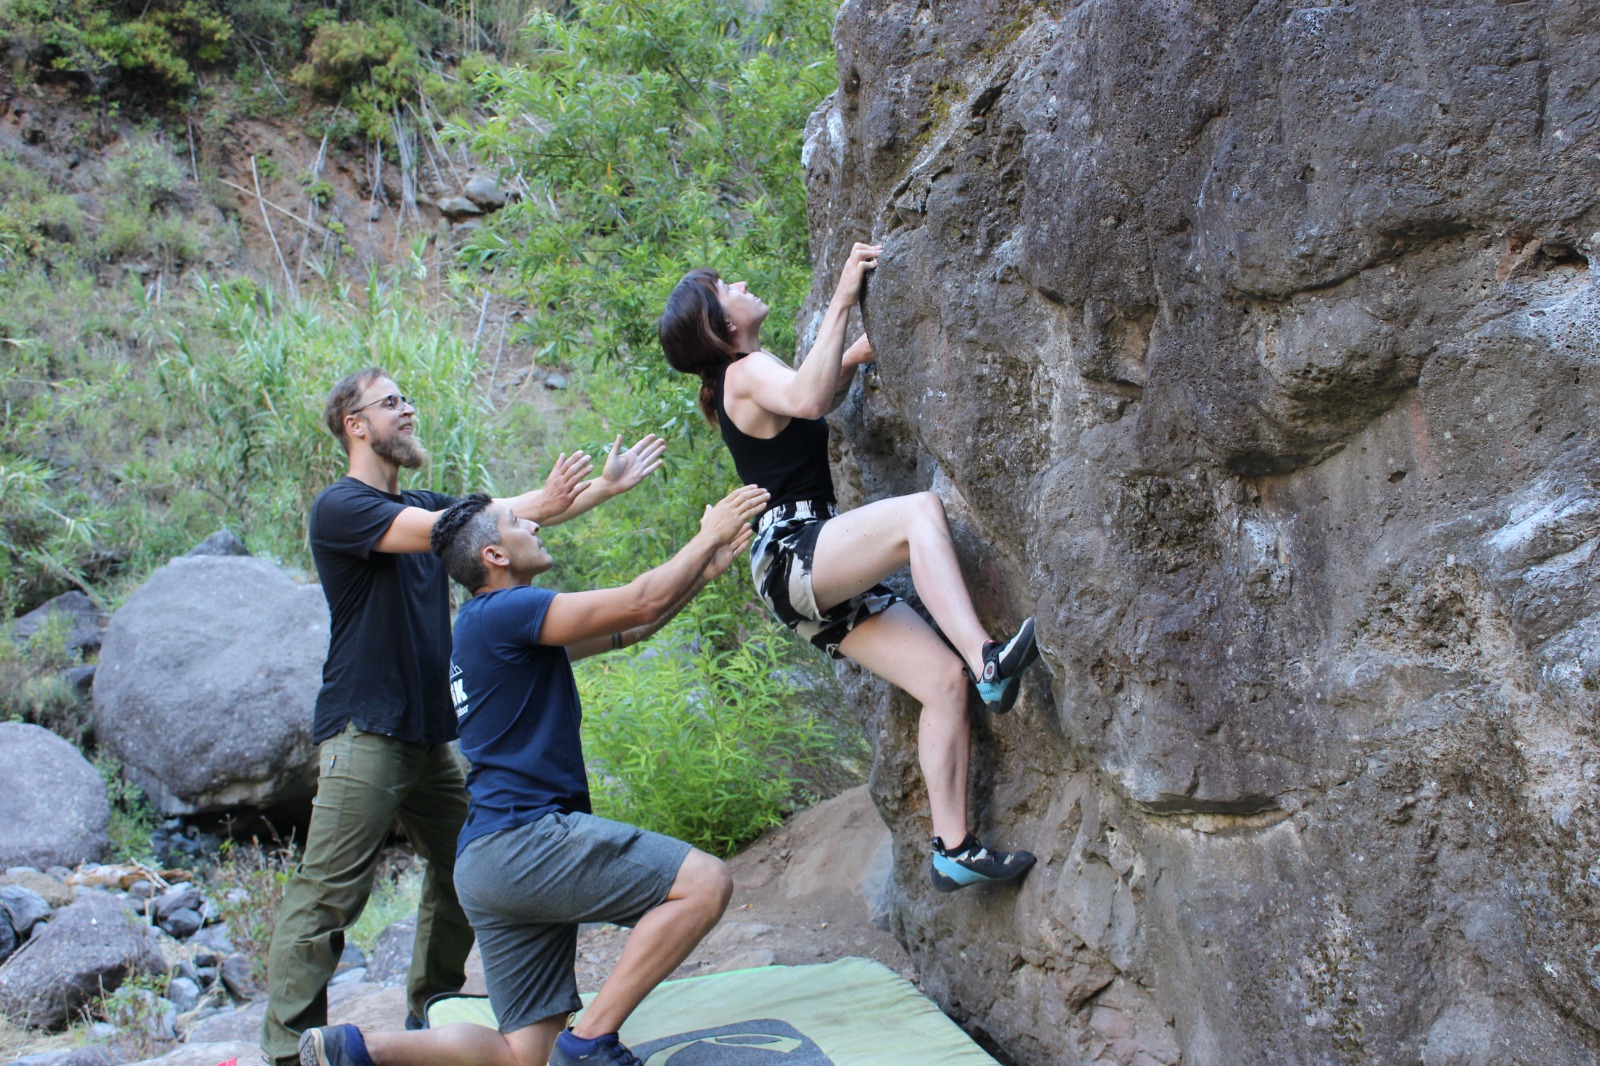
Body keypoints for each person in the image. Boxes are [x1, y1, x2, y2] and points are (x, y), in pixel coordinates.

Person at [261, 367, 667, 1066]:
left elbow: (493, 524)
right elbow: (476, 525)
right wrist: (540, 499)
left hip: (430, 739)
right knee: (326, 896)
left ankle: (431, 1014)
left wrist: (602, 488)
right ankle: (284, 1054)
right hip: (365, 729)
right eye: (390, 403)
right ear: (355, 425)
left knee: (470, 870)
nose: (406, 410)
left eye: (406, 398)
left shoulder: (425, 506)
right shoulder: (343, 508)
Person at [298, 482, 771, 1066]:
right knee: (704, 883)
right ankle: (591, 1041)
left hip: (488, 862)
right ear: (494, 556)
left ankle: (358, 1048)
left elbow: (633, 628)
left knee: (522, 1052)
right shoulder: (509, 611)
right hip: (527, 840)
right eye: (521, 525)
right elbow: (638, 601)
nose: (536, 528)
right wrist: (707, 533)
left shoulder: (487, 629)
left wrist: (702, 569)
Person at [658, 242, 1040, 893]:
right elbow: (809, 399)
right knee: (919, 514)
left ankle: (953, 849)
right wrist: (841, 299)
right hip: (793, 550)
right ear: (721, 327)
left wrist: (856, 352)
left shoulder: (752, 375)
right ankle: (988, 659)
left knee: (940, 683)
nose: (741, 281)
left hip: (800, 570)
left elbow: (813, 391)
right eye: (726, 286)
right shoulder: (743, 370)